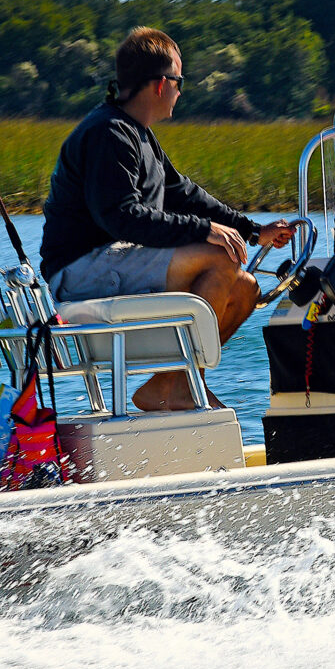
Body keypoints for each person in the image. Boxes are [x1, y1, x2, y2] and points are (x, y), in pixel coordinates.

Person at [40, 27, 293, 410]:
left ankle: (171, 385)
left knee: (244, 287)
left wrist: (253, 230)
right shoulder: (109, 133)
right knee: (221, 257)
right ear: (160, 85)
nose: (180, 91)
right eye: (179, 81)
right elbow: (122, 218)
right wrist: (206, 232)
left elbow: (186, 196)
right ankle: (179, 388)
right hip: (80, 270)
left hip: (115, 259)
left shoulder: (139, 134)